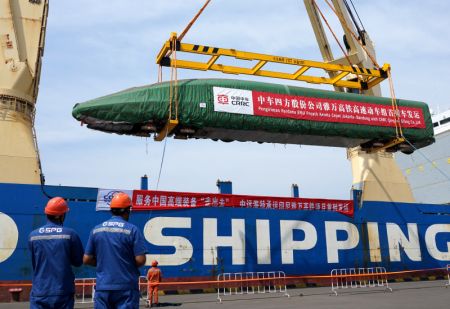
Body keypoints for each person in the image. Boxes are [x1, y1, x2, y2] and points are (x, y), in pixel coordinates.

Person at [83, 192, 147, 309]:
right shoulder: (132, 230)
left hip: (103, 287)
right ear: (128, 210)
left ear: (111, 210)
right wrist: (125, 264)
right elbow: (141, 260)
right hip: (126, 288)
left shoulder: (96, 230)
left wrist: (104, 263)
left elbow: (86, 259)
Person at [28, 197, 84, 309]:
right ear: (61, 215)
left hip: (40, 291)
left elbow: (35, 262)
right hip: (63, 292)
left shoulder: (33, 236)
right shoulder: (70, 234)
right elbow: (78, 262)